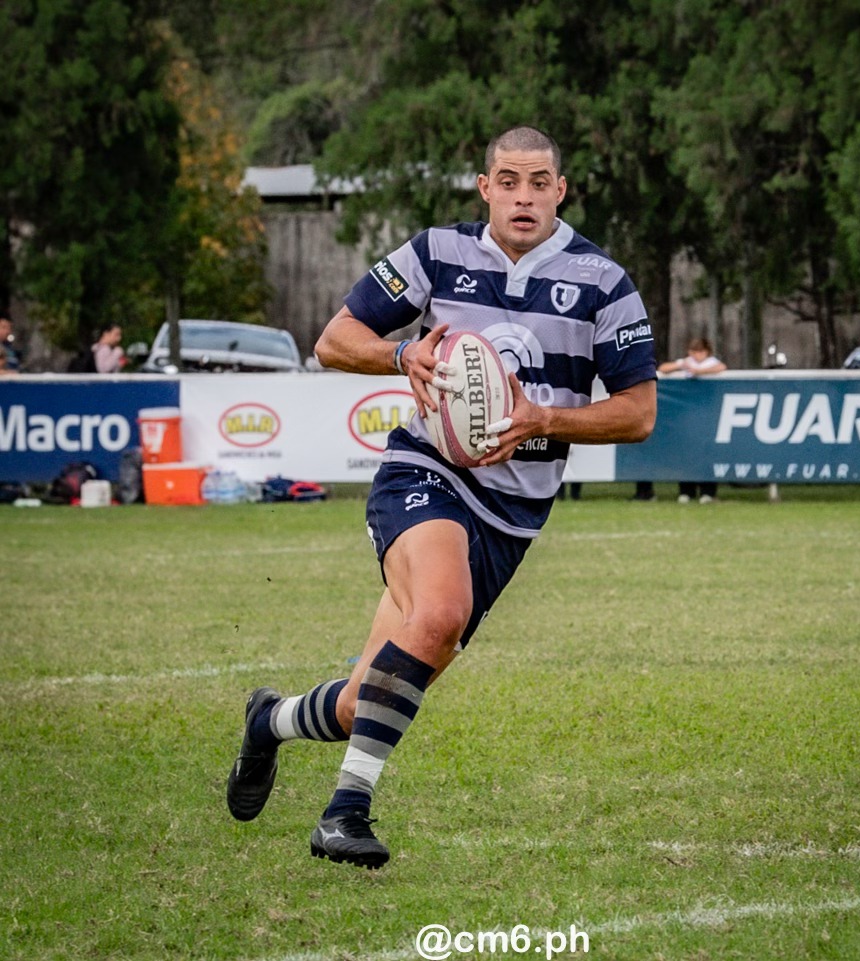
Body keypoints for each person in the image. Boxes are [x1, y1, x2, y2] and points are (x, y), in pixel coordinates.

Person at [226, 125, 657, 869]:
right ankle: (344, 813)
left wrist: (545, 419)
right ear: (484, 187)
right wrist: (402, 353)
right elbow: (333, 340)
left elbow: (639, 412)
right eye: (508, 181)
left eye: (539, 183)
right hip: (425, 471)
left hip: (512, 517)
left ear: (561, 191)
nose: (523, 197)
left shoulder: (603, 283)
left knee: (364, 701)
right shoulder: (435, 253)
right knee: (440, 612)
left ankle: (270, 721)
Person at [657, 336, 727, 504]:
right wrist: (681, 365)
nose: (697, 355)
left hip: (707, 415)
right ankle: (686, 491)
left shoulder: (711, 363)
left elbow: (721, 367)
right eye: (693, 351)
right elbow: (663, 368)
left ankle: (707, 492)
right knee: (686, 453)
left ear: (707, 352)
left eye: (700, 351)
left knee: (707, 453)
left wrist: (698, 372)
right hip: (687, 417)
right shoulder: (686, 362)